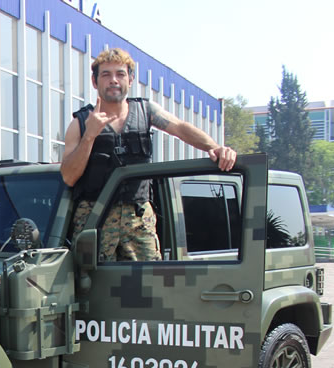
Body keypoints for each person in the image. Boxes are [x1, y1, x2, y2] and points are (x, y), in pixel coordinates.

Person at [60, 48, 237, 261]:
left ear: (131, 80)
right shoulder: (79, 123)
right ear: (95, 82)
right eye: (106, 74)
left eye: (120, 74)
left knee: (150, 284)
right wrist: (90, 136)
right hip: (93, 221)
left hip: (138, 219)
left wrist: (214, 147)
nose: (113, 80)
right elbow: (68, 177)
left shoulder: (146, 112)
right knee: (89, 288)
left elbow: (180, 128)